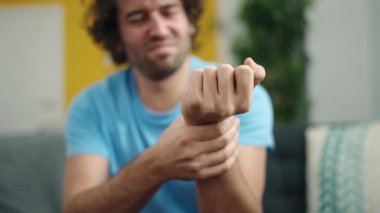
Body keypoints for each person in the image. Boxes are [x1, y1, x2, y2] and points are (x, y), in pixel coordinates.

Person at [62, 0, 274, 212]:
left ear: (189, 20)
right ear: (117, 35)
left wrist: (210, 127)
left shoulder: (241, 95)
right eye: (137, 18)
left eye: (169, 11)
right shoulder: (90, 105)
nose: (159, 30)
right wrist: (156, 163)